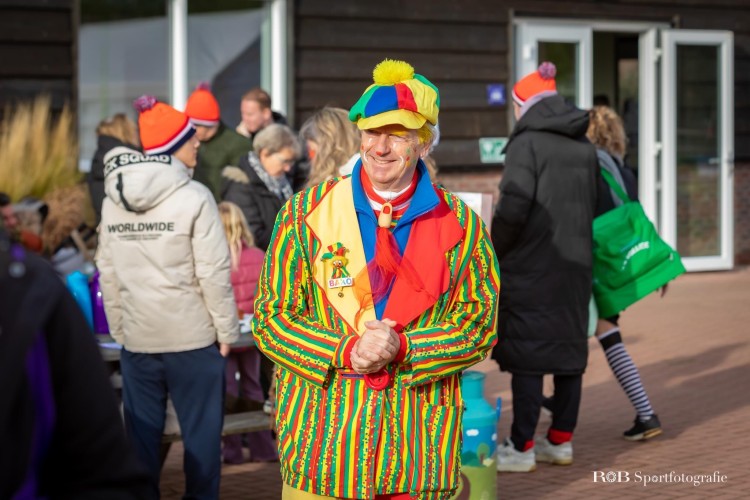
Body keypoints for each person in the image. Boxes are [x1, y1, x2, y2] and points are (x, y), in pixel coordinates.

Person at [252, 58, 500, 499]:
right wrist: (344, 348)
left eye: (398, 135)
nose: (380, 147)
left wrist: (406, 347)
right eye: (371, 132)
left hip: (417, 450)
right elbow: (271, 318)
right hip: (322, 449)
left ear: (424, 144)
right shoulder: (304, 215)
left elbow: (480, 325)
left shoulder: (462, 226)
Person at [96, 95, 239, 499]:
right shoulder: (195, 196)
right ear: (173, 146)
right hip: (191, 341)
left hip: (139, 342)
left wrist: (123, 330)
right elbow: (212, 272)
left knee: (140, 444)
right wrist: (227, 330)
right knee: (201, 446)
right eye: (191, 138)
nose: (199, 144)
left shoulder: (113, 200)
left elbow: (108, 270)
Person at [491, 62, 599, 472]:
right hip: (575, 268)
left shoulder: (528, 144)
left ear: (525, 106)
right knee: (569, 354)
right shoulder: (585, 147)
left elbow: (514, 208)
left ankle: (521, 448)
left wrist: (492, 249)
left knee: (529, 357)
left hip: (531, 266)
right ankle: (560, 441)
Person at [0, 226, 151, 499]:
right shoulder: (31, 288)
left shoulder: (30, 290)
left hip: (135, 338)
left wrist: (119, 331)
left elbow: (99, 467)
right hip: (176, 336)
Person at [578, 105, 661, 440]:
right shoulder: (623, 170)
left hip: (595, 260)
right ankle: (558, 399)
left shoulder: (592, 165)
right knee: (597, 330)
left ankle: (646, 412)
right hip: (617, 264)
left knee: (604, 332)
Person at [217, 201, 278, 464]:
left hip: (225, 336)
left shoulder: (214, 259)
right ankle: (262, 447)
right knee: (254, 386)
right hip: (252, 334)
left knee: (228, 390)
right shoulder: (257, 255)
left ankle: (231, 450)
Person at [221, 123, 301, 252]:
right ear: (265, 154)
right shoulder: (240, 187)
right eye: (284, 161)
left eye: (291, 162)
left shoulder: (283, 182)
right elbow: (252, 236)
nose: (288, 168)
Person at [185, 82, 252, 201]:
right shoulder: (186, 143)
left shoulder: (238, 144)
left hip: (222, 210)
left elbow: (246, 185)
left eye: (197, 125)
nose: (193, 130)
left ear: (211, 125)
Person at [236, 87, 308, 191]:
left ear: (266, 113)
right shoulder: (243, 137)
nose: (245, 119)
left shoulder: (291, 140)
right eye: (243, 113)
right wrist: (240, 141)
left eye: (250, 114)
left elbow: (301, 176)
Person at [88, 113, 140, 225]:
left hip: (106, 231)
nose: (138, 135)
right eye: (134, 130)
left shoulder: (98, 158)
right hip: (132, 230)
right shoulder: (130, 160)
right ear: (125, 132)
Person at [300, 106, 361, 188]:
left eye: (312, 152)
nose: (311, 161)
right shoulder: (364, 168)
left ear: (326, 146)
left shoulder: (348, 179)